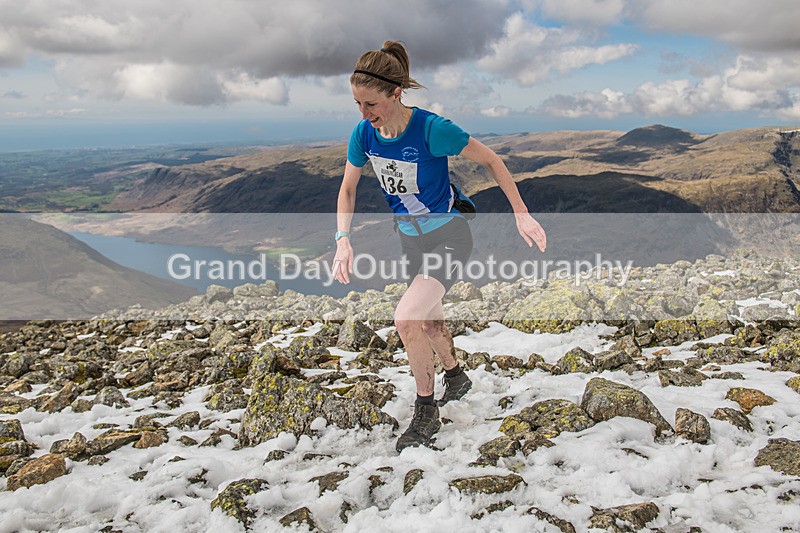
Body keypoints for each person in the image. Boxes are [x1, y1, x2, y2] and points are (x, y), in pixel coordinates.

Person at [333, 41, 547, 452]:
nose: (363, 114)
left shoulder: (432, 129)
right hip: (411, 240)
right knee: (429, 323)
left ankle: (426, 410)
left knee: (406, 320)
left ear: (396, 93)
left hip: (449, 236)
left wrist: (521, 213)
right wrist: (343, 239)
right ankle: (455, 375)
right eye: (357, 104)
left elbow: (492, 161)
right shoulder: (364, 134)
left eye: (371, 104)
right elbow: (347, 189)